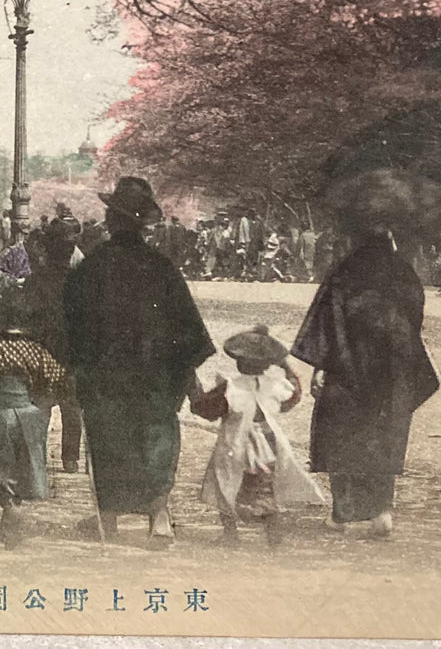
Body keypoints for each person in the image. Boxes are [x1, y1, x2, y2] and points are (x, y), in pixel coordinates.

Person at [63, 177, 214, 547]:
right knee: (157, 438)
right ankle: (159, 516)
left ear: (112, 221)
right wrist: (189, 377)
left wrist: (75, 370)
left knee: (108, 438)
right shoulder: (162, 268)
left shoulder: (90, 270)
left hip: (106, 375)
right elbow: (186, 327)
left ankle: (108, 517)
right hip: (156, 376)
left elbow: (72, 328)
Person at [291, 226, 440, 539]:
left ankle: (341, 513)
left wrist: (322, 365)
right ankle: (383, 510)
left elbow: (328, 321)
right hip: (393, 368)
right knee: (384, 434)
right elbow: (415, 319)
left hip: (349, 366)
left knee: (341, 434)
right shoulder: (405, 272)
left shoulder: (345, 272)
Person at [191, 326, 323, 546]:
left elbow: (204, 409)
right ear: (268, 364)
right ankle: (272, 532)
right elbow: (294, 395)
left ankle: (230, 533)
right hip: (268, 445)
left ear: (238, 362)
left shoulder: (230, 387)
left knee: (225, 483)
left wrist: (194, 386)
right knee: (264, 486)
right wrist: (286, 366)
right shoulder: (275, 386)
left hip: (235, 444)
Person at [0, 326, 69, 549]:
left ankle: (10, 509)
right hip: (29, 416)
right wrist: (39, 403)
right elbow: (59, 381)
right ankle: (6, 527)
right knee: (20, 470)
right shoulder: (37, 351)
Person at [21, 218, 84, 473]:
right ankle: (70, 459)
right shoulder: (81, 283)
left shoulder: (34, 282)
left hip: (42, 355)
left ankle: (37, 457)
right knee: (72, 410)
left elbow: (25, 320)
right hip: (72, 355)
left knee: (40, 409)